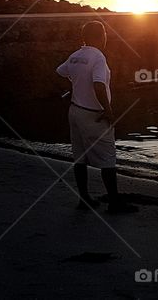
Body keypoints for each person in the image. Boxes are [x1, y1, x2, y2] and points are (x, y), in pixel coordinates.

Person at [56, 21, 137, 213]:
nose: (106, 37)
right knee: (108, 158)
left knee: (80, 157)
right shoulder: (98, 57)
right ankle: (114, 203)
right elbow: (99, 85)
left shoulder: (76, 56)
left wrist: (72, 87)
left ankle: (84, 198)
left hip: (75, 111)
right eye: (105, 33)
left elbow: (60, 72)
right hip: (94, 115)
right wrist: (108, 110)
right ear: (100, 36)